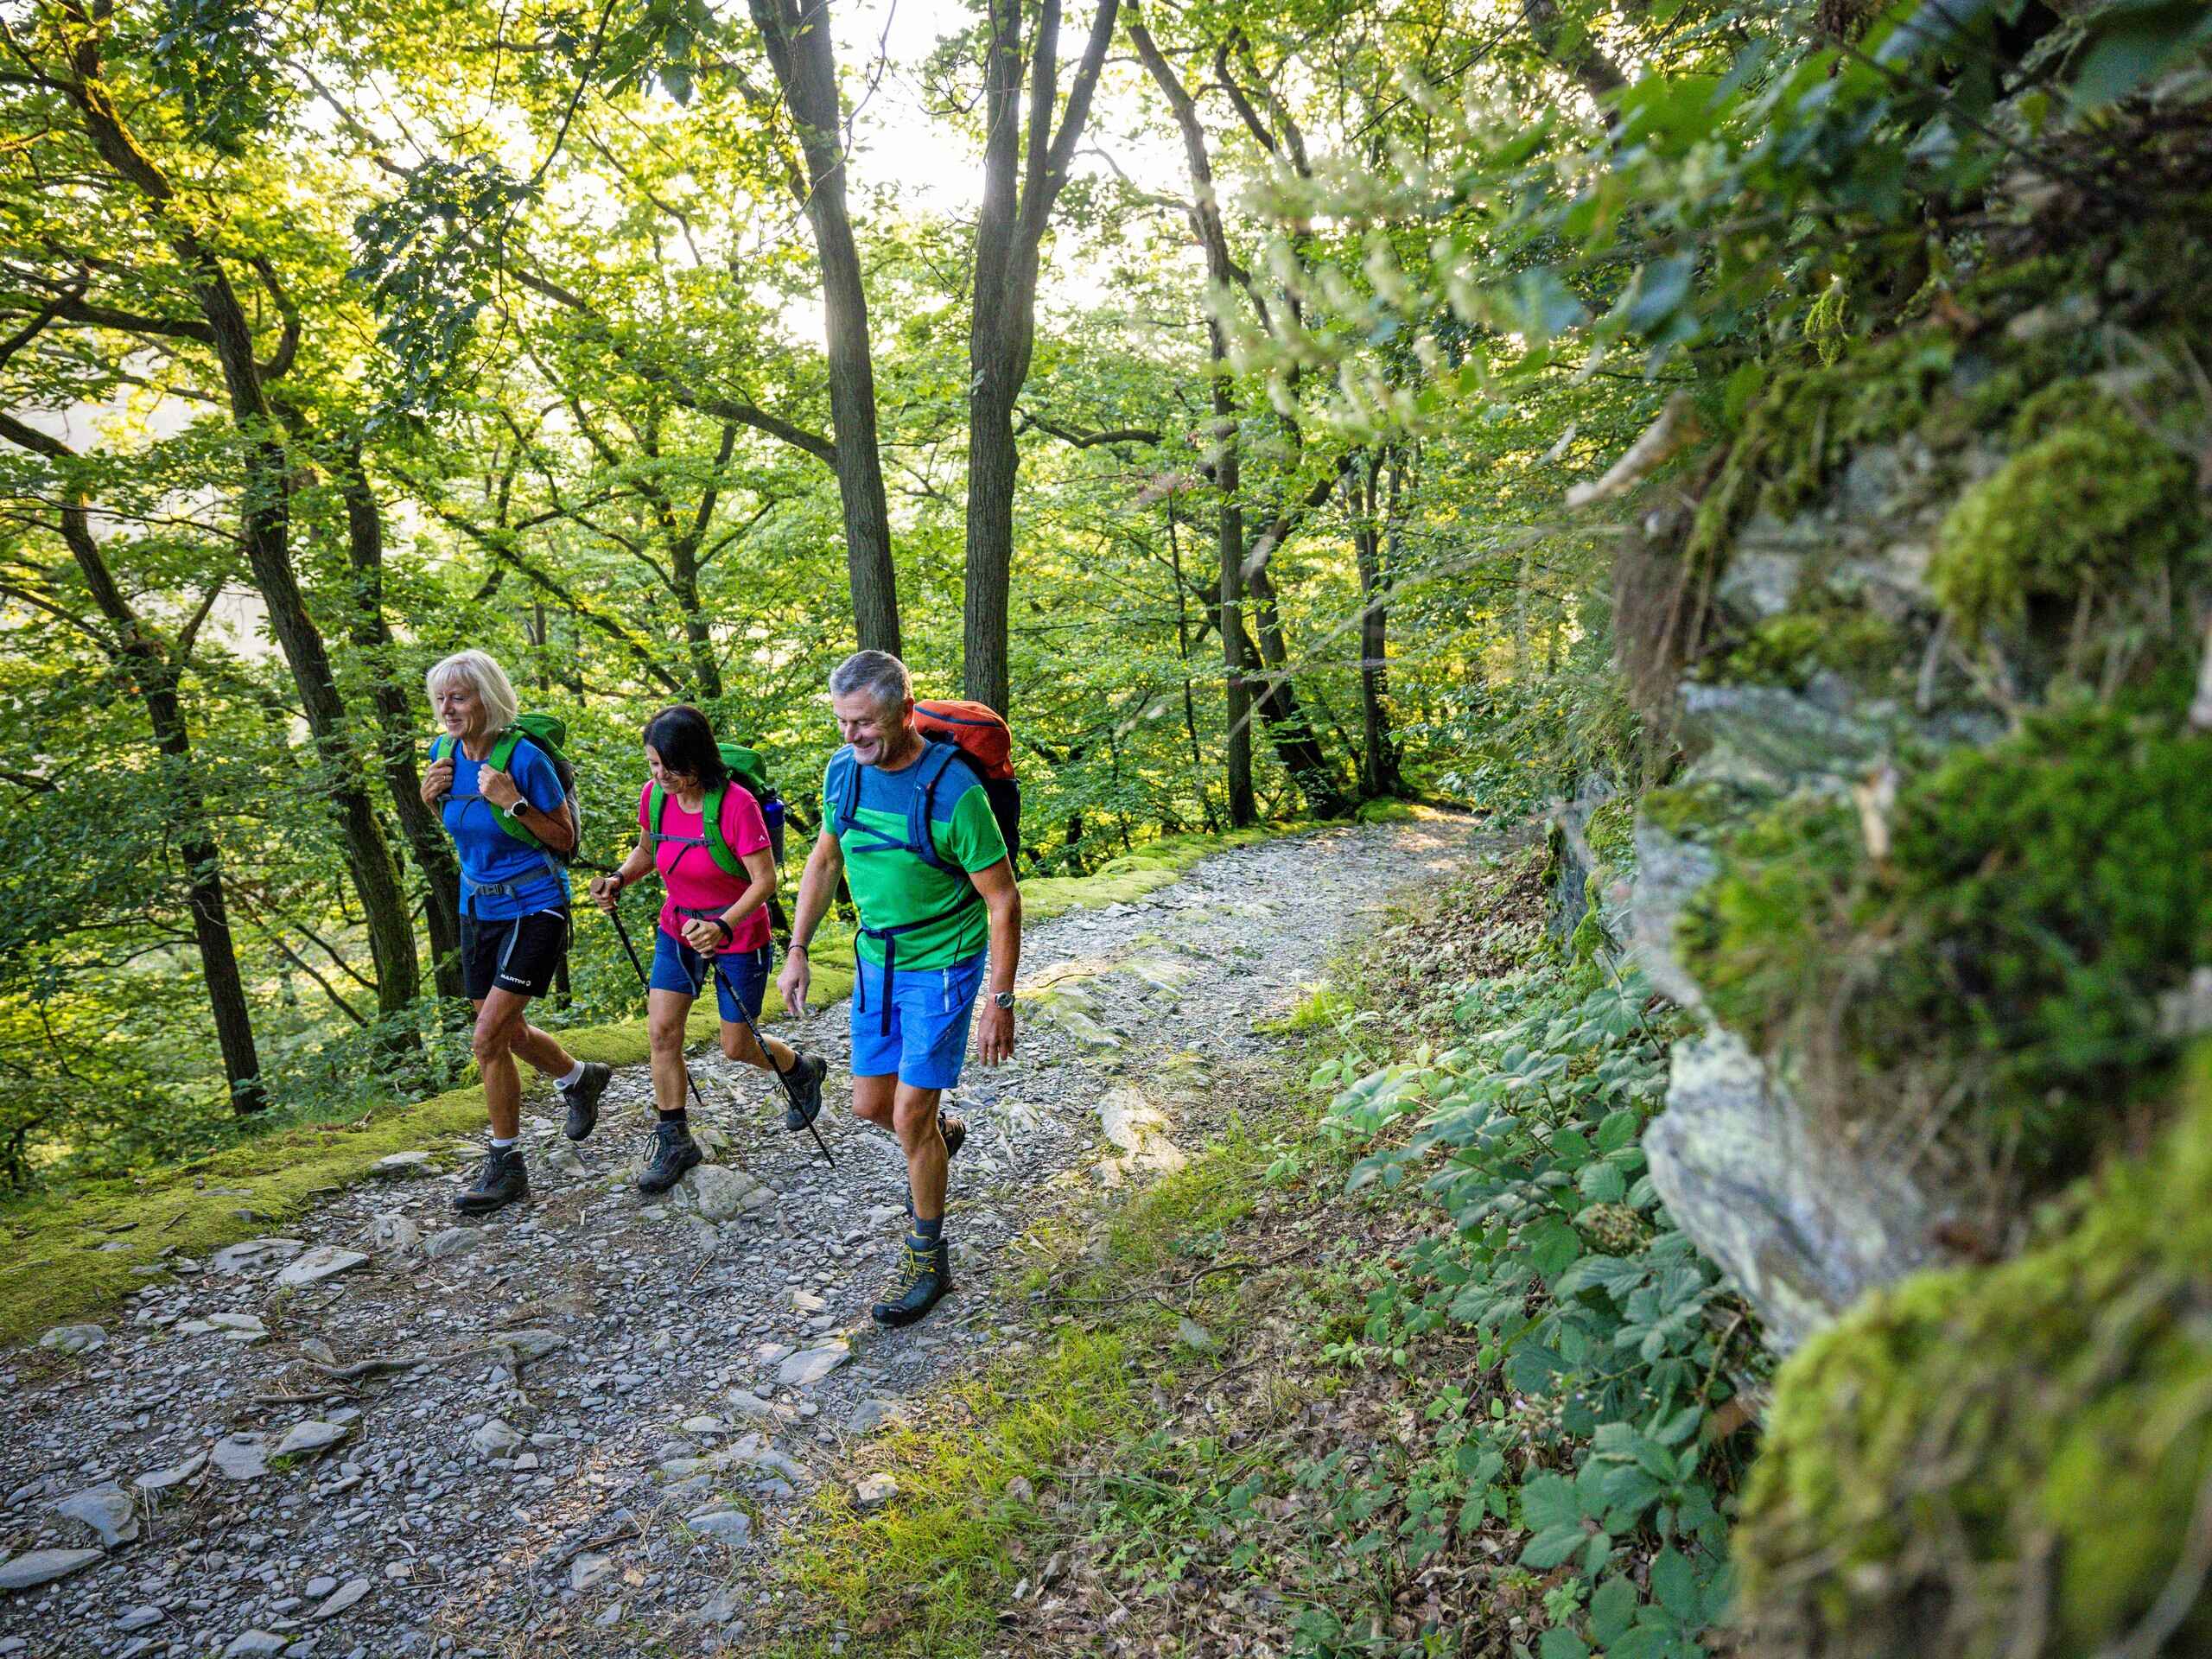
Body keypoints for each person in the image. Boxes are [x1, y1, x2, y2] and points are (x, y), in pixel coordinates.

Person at [777, 650, 1022, 1326]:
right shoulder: (842, 774)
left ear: (905, 712)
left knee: (907, 1117)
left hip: (943, 961)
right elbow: (825, 857)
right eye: (842, 723)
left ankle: (927, 1255)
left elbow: (1003, 900)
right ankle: (938, 1136)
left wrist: (999, 1002)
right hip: (875, 962)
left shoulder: (955, 794)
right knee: (868, 1106)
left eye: (863, 724)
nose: (850, 737)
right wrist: (796, 949)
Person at [588, 706, 828, 1192]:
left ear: (697, 760)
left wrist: (721, 925)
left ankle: (801, 1071)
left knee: (737, 1047)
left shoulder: (736, 805)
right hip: (677, 930)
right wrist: (618, 878)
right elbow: (649, 851)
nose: (660, 776)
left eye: (669, 767)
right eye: (653, 765)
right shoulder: (655, 798)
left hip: (739, 934)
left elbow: (765, 882)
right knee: (661, 1033)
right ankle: (674, 1136)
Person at [421, 650, 611, 1215]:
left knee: (487, 1038)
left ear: (488, 698)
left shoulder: (524, 758)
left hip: (536, 904)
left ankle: (507, 1164)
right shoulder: (442, 754)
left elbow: (564, 840)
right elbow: (468, 834)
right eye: (440, 699)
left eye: (459, 697)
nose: (447, 709)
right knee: (506, 1029)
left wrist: (515, 800)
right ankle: (578, 1077)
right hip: (478, 907)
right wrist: (432, 803)